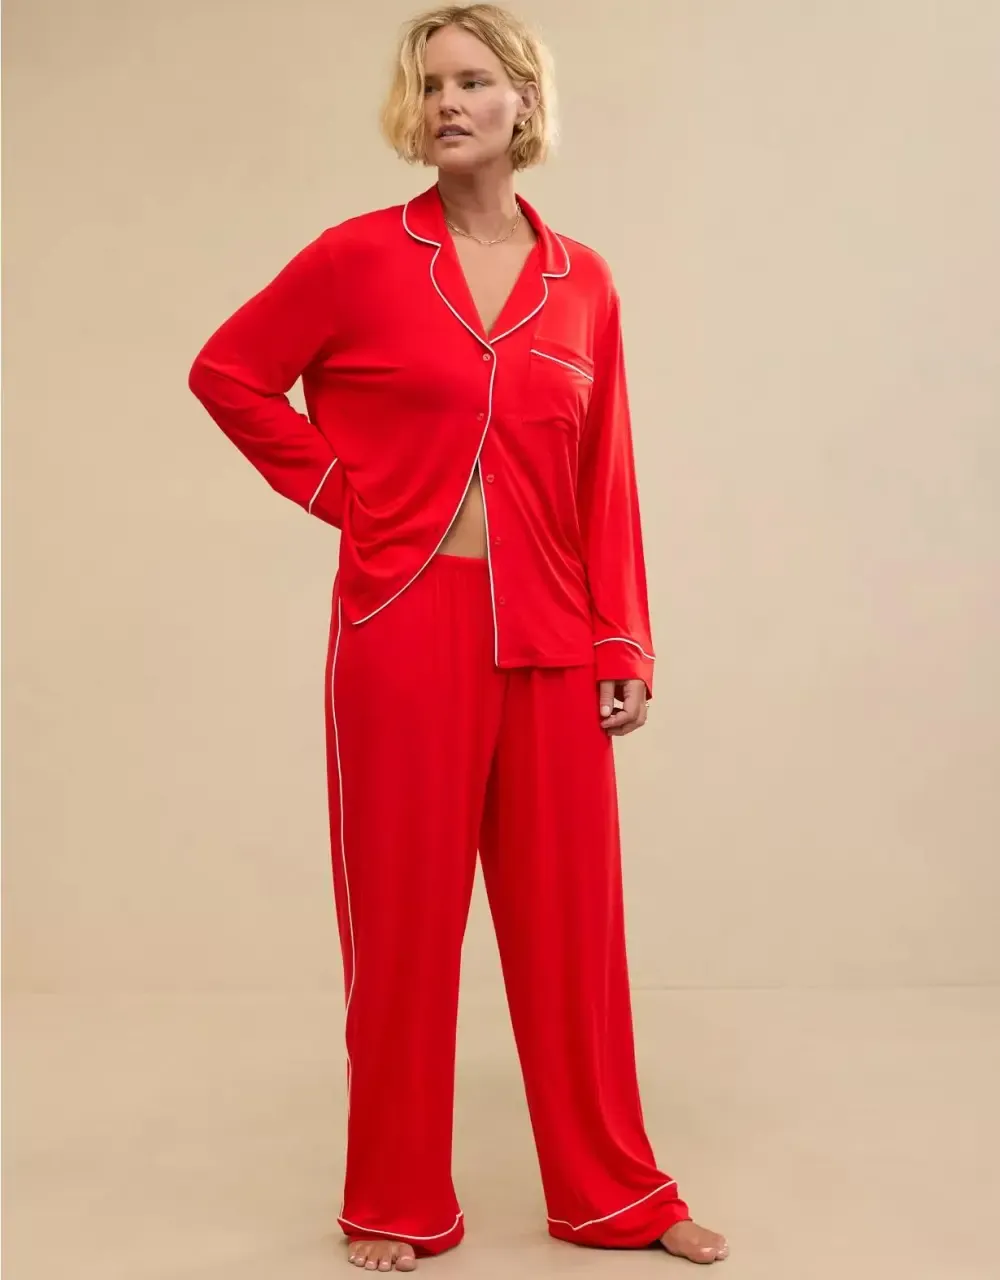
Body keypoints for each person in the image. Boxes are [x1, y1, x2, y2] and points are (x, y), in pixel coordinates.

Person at [188, 3, 729, 1271]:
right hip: (403, 620)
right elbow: (229, 372)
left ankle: (612, 1194)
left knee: (572, 934)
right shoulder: (356, 259)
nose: (448, 103)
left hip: (552, 633)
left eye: (474, 80)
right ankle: (393, 1199)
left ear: (523, 100)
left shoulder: (582, 281)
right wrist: (341, 490)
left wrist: (623, 641)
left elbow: (605, 475)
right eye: (430, 84)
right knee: (403, 928)